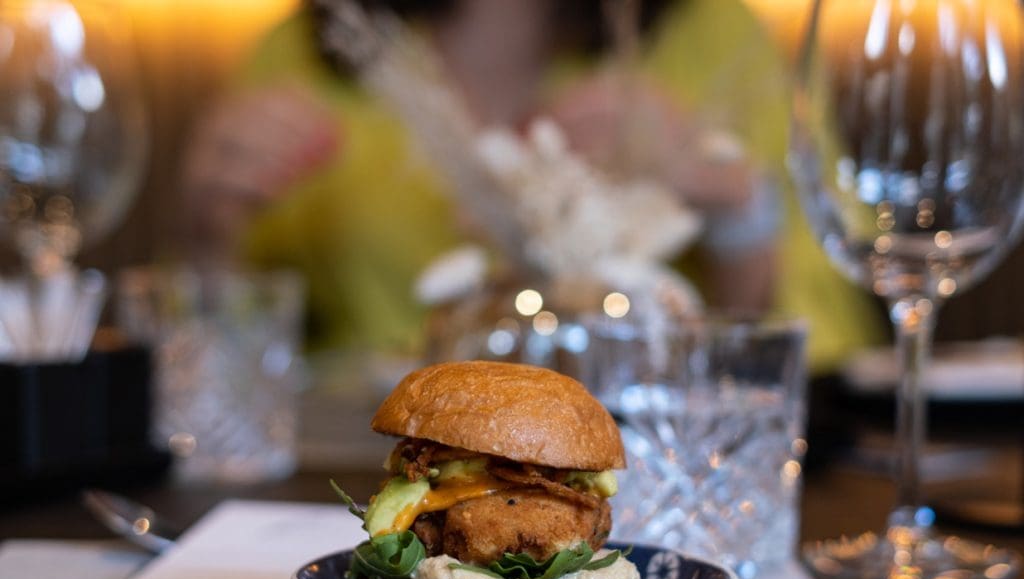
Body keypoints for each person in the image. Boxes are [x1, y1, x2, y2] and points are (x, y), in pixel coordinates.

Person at [180, 0, 883, 370]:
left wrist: (727, 199)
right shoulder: (312, 46)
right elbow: (234, 353)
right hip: (370, 460)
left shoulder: (717, 36)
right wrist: (209, 237)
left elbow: (806, 339)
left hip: (638, 467)